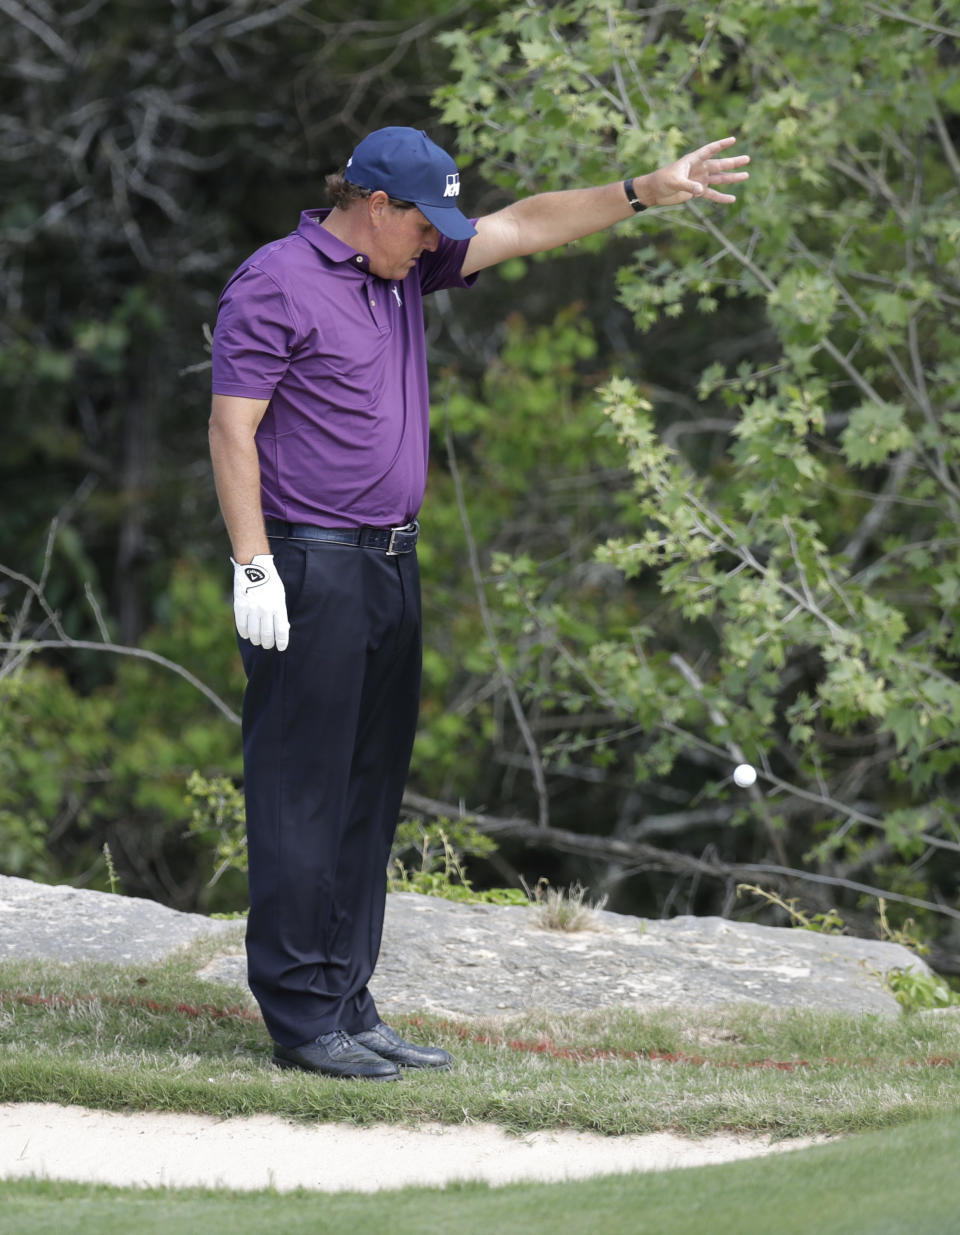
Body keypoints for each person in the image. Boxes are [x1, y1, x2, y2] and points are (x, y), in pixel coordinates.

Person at [209, 125, 749, 1081]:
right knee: (304, 794)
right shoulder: (276, 280)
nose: (437, 242)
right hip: (307, 567)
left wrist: (641, 191)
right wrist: (254, 565)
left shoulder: (402, 270)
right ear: (376, 205)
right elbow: (232, 427)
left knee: (367, 796)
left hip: (389, 566)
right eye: (424, 224)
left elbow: (524, 225)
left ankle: (345, 997)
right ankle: (299, 1018)